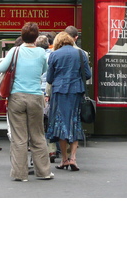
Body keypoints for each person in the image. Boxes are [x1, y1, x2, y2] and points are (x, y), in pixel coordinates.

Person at [0, 22, 53, 181]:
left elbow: (1, 69)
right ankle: (43, 172)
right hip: (35, 96)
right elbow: (44, 70)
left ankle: (20, 174)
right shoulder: (42, 53)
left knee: (19, 137)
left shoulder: (15, 51)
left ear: (22, 36)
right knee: (38, 135)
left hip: (17, 96)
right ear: (36, 37)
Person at [46, 31, 91, 172]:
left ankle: (64, 159)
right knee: (74, 122)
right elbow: (88, 74)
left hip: (59, 92)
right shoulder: (80, 54)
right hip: (76, 91)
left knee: (60, 123)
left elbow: (49, 78)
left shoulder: (54, 54)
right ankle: (73, 158)